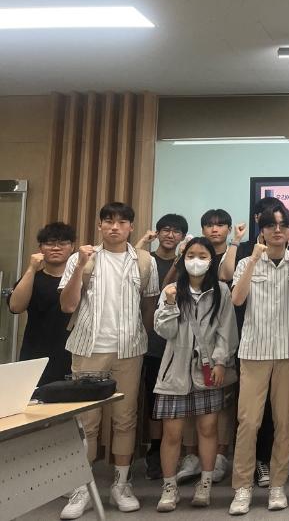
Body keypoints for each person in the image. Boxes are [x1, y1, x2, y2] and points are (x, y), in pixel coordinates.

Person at [58, 202, 160, 519]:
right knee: (86, 421)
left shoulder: (145, 261)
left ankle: (121, 484)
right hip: (88, 348)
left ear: (131, 227)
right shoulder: (82, 258)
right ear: (100, 225)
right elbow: (67, 305)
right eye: (109, 221)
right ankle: (81, 488)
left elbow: (149, 305)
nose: (115, 227)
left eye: (122, 222)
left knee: (125, 419)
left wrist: (141, 336)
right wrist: (79, 266)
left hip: (129, 349)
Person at [228, 205, 289, 515]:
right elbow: (237, 299)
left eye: (283, 225)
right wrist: (253, 259)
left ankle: (277, 485)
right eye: (271, 225)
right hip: (254, 353)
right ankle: (242, 488)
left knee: (284, 422)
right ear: (262, 230)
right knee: (248, 422)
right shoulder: (247, 262)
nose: (278, 230)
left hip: (288, 354)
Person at [153, 237, 238, 512]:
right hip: (174, 371)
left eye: (202, 256)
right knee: (172, 433)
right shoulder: (171, 290)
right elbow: (165, 332)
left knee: (208, 429)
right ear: (183, 258)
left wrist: (221, 361)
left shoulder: (221, 291)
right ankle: (169, 487)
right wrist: (169, 304)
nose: (196, 261)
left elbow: (227, 329)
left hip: (208, 370)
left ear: (211, 261)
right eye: (191, 255)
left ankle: (205, 484)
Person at [218, 196, 284, 489]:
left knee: (276, 414)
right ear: (258, 220)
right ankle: (243, 476)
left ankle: (265, 464)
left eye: (280, 221)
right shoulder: (246, 251)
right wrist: (237, 243)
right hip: (248, 337)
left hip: (283, 345)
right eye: (266, 218)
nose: (275, 227)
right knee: (247, 414)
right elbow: (226, 277)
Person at [176, 209, 237, 485]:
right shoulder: (188, 256)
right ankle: (191, 456)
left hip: (224, 340)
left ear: (228, 228)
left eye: (220, 225)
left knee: (221, 404)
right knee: (190, 402)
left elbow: (227, 279)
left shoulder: (237, 254)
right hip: (187, 348)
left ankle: (220, 456)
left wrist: (222, 357)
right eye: (209, 225)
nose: (215, 229)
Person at [135, 213, 189, 482]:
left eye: (176, 231)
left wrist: (183, 259)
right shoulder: (146, 260)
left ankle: (177, 452)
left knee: (180, 399)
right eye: (165, 230)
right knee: (155, 400)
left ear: (183, 236)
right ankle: (155, 451)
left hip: (180, 340)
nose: (170, 235)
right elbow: (157, 294)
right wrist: (141, 244)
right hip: (151, 340)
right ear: (157, 233)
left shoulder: (190, 260)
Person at [8, 221, 75, 385]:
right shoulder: (32, 279)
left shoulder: (77, 280)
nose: (56, 248)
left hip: (71, 353)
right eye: (50, 243)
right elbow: (15, 307)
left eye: (62, 243)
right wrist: (31, 268)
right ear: (40, 248)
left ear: (72, 247)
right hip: (35, 352)